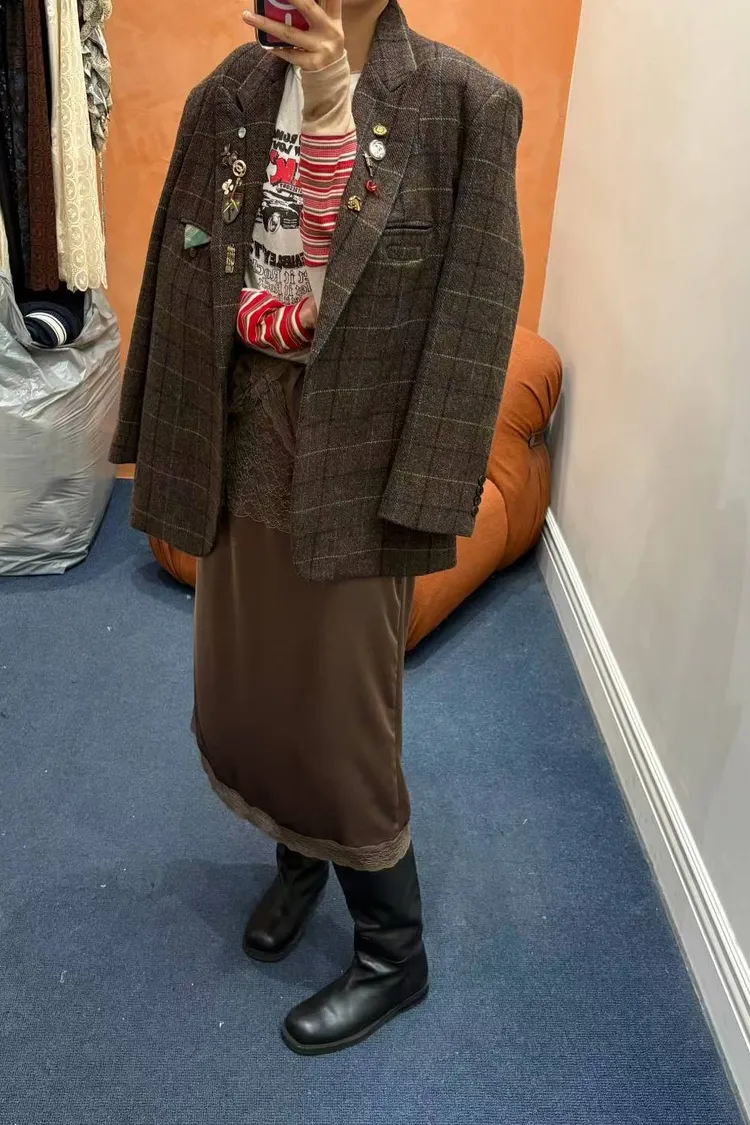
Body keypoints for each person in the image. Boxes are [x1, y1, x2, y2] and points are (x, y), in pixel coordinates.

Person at [110, 0, 524, 1055]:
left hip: (360, 462)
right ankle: (296, 856)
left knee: (344, 714)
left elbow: (476, 318)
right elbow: (181, 271)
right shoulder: (229, 95)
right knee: (250, 685)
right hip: (245, 438)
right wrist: (166, 436)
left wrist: (429, 492)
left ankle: (393, 951)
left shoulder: (465, 107)